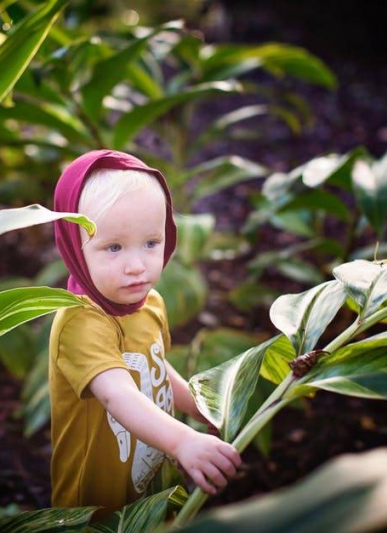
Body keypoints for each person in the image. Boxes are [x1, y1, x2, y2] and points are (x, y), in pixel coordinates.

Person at [48, 149, 241, 519]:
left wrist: (203, 410)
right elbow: (117, 394)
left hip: (148, 480)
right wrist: (183, 440)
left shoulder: (148, 302)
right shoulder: (80, 322)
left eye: (151, 243)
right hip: (96, 508)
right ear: (74, 245)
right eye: (114, 247)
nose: (136, 267)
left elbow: (155, 366)